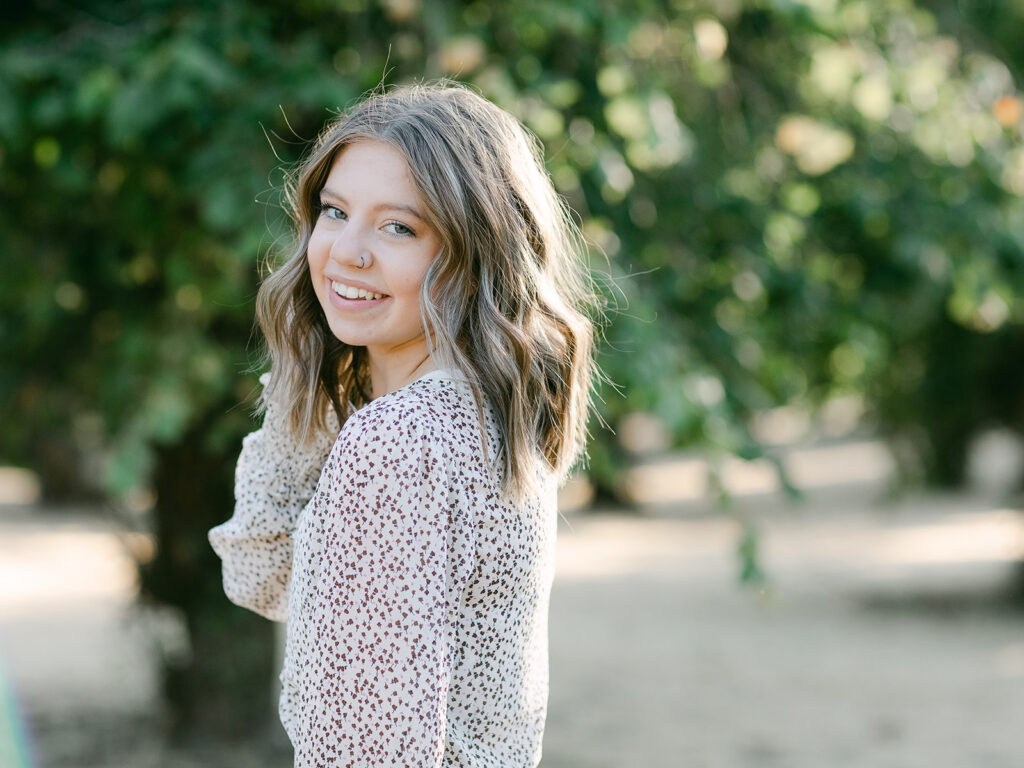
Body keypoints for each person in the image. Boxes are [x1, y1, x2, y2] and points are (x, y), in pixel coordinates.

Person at [207, 80, 602, 767]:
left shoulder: (400, 442)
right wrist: (303, 379)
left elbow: (368, 752)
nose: (346, 253)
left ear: (477, 253)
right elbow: (268, 576)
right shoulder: (486, 419)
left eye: (399, 227)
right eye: (334, 212)